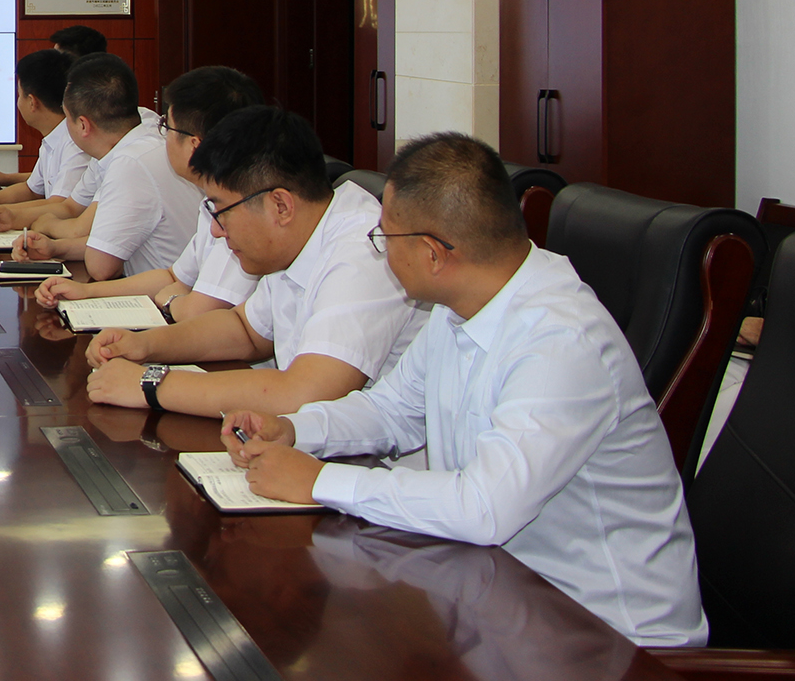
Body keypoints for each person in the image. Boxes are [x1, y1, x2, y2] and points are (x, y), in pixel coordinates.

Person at [223, 133, 708, 648]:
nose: (380, 250)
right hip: (503, 600)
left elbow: (484, 507)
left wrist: (320, 481)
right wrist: (295, 430)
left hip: (612, 643)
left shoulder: (561, 342)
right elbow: (392, 411)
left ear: (433, 254)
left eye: (384, 237)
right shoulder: (462, 305)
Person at [80, 106, 425, 418]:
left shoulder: (364, 252)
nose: (215, 231)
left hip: (368, 462)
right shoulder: (292, 240)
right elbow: (245, 330)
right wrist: (145, 345)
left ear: (280, 206)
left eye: (221, 210)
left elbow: (306, 393)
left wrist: (151, 384)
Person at [31, 65, 264, 318]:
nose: (163, 136)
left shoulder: (242, 214)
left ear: (194, 146)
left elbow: (200, 310)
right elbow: (173, 277)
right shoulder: (211, 204)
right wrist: (86, 291)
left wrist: (170, 300)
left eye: (168, 127)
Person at [1, 54, 198, 279]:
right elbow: (98, 237)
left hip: (167, 294)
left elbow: (101, 266)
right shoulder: (130, 142)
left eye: (67, 118)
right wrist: (55, 248)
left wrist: (48, 225)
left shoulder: (129, 164)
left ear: (83, 125)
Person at [0, 49, 88, 213]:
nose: (18, 103)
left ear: (32, 102)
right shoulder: (51, 140)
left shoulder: (75, 144)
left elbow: (59, 205)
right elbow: (31, 190)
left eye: (19, 95)